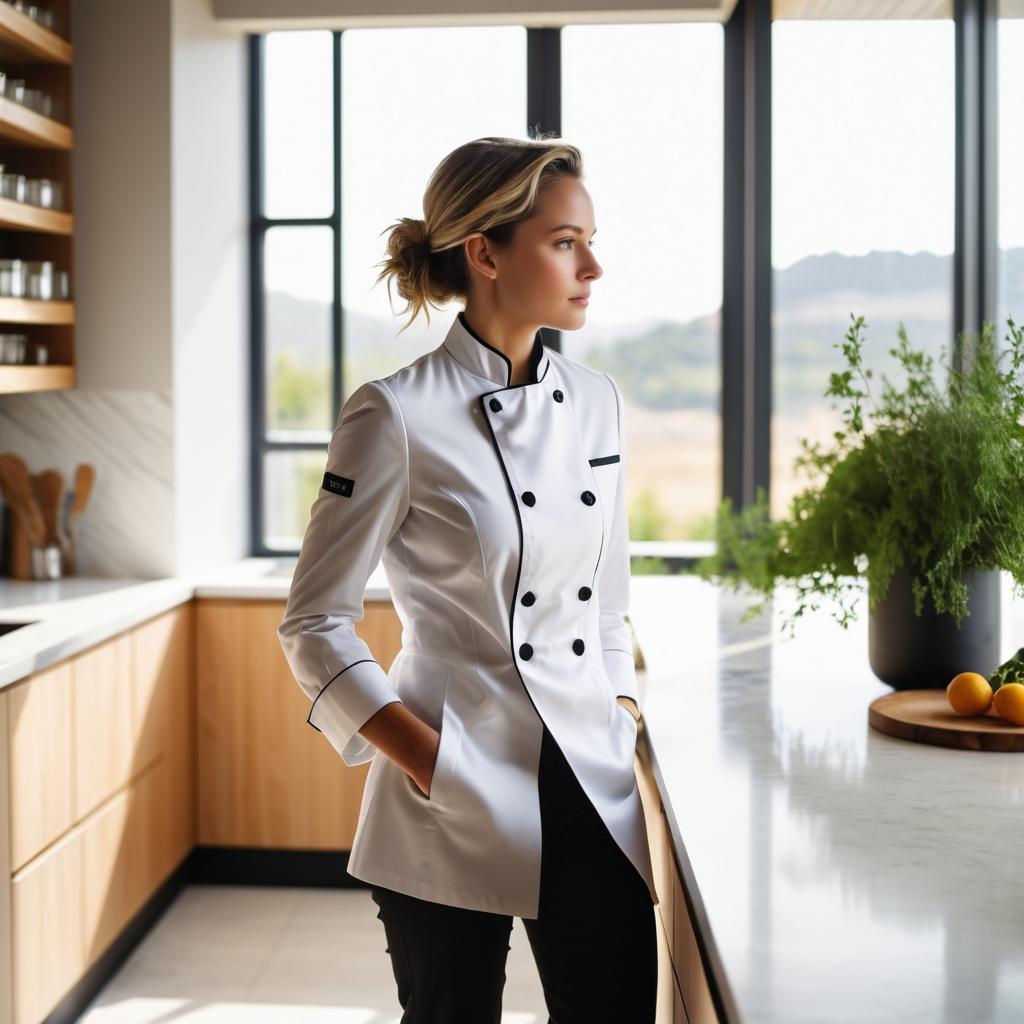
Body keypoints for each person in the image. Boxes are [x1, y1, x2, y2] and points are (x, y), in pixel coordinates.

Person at [278, 135, 658, 1023]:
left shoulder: (597, 402)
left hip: (592, 785)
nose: (592, 265)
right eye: (566, 242)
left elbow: (606, 602)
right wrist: (425, 761)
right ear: (485, 253)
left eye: (590, 239)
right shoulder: (395, 412)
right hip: (450, 782)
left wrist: (623, 711)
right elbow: (314, 623)